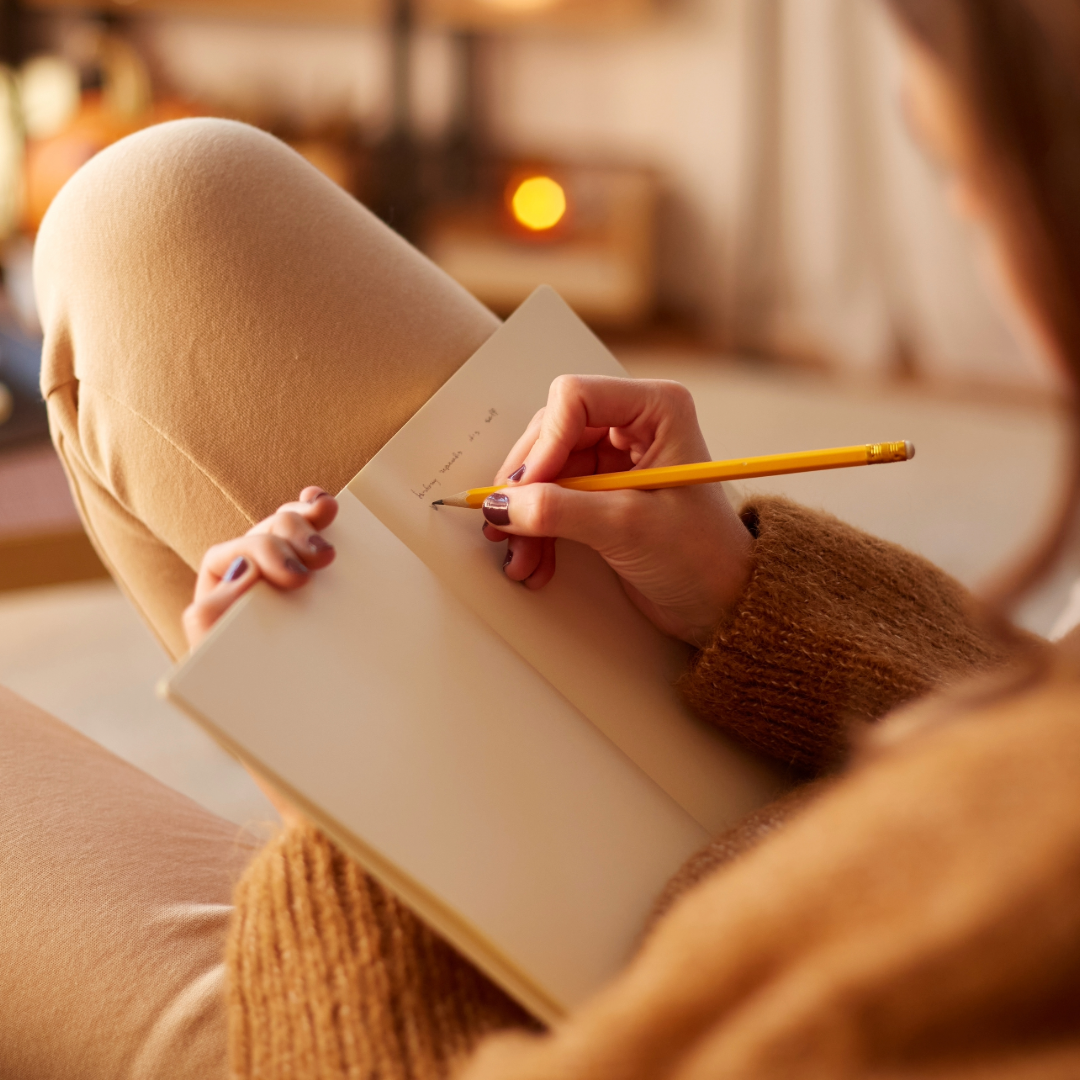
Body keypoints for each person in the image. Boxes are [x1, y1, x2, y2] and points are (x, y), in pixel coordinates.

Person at [5, 1, 1079, 1077]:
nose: (974, 224)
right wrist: (746, 590)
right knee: (156, 210)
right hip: (824, 795)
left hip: (507, 1027)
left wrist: (348, 828)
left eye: (964, 178)